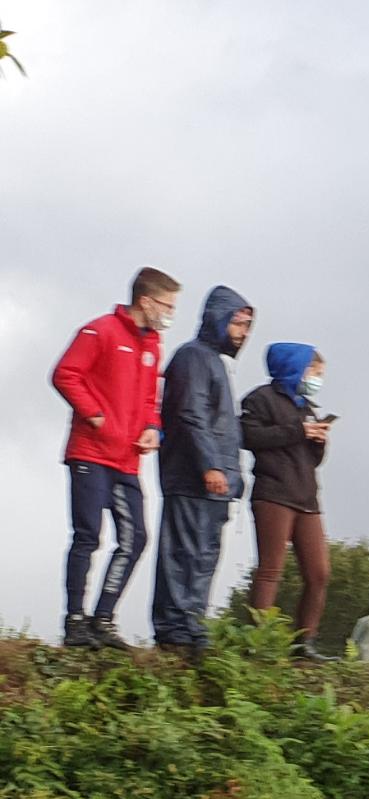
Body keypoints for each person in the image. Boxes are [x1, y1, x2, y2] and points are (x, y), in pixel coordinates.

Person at [50, 267, 180, 648]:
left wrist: (153, 428)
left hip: (127, 460)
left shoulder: (153, 344)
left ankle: (103, 618)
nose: (170, 313)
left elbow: (147, 400)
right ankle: (75, 621)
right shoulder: (100, 330)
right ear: (146, 301)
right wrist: (95, 416)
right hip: (90, 453)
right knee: (88, 536)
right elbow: (65, 374)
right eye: (167, 305)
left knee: (135, 538)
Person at [151, 286, 253, 656]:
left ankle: (192, 623)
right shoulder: (193, 357)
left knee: (204, 555)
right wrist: (210, 464)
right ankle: (174, 627)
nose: (242, 333)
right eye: (238, 323)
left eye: (246, 325)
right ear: (219, 319)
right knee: (182, 553)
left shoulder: (214, 362)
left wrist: (232, 476)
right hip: (192, 476)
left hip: (217, 484)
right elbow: (191, 414)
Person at [240, 342, 334, 661]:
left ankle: (305, 642)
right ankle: (257, 640)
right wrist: (299, 431)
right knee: (271, 569)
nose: (317, 379)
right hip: (273, 494)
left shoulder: (305, 405)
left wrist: (319, 440)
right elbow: (251, 438)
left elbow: (310, 458)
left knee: (319, 573)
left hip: (307, 496)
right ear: (296, 368)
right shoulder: (259, 400)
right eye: (315, 372)